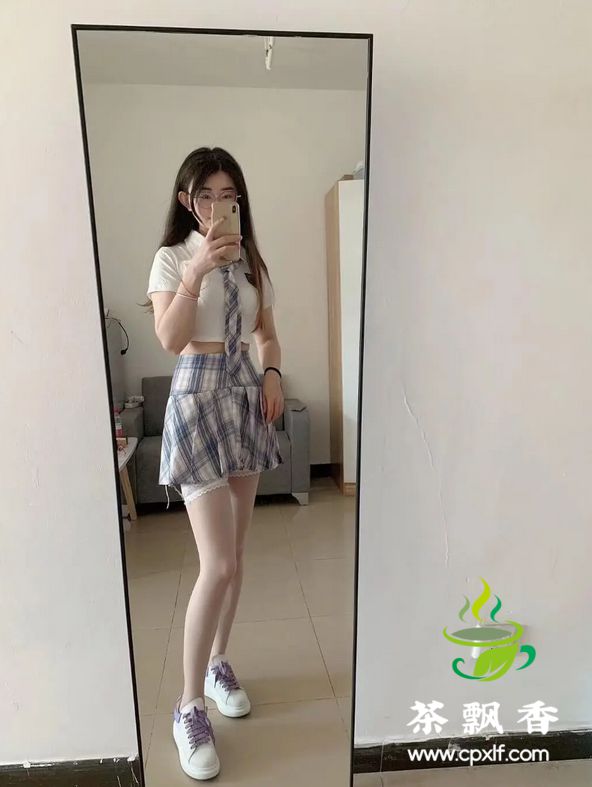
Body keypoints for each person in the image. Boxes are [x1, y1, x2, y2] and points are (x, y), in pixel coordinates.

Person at [146, 147, 284, 780]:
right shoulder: (172, 258)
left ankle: (218, 662)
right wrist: (198, 267)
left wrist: (273, 371)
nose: (218, 205)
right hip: (196, 399)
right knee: (218, 563)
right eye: (206, 195)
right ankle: (188, 705)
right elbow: (170, 339)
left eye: (229, 195)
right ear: (187, 200)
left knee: (239, 556)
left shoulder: (253, 261)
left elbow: (266, 334)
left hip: (245, 397)